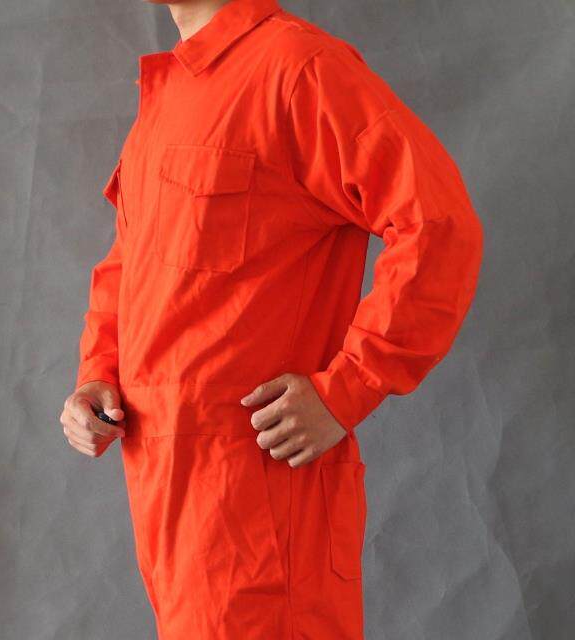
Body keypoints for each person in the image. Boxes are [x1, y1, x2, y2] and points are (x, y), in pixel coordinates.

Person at [59, 0, 484, 637]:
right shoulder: (170, 95)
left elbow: (439, 224)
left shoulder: (299, 70)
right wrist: (98, 374)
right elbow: (130, 263)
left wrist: (350, 387)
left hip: (260, 506)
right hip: (166, 499)